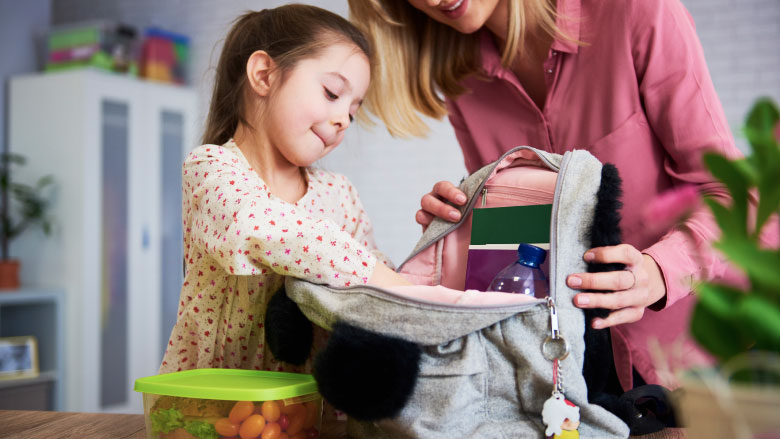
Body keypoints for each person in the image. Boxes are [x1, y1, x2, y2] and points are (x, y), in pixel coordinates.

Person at [347, 0, 743, 394]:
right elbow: (520, 241)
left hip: (703, 355)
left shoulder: (637, 11)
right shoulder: (462, 76)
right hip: (572, 370)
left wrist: (660, 273)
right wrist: (461, 227)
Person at [160, 4, 409, 375]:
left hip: (311, 413)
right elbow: (256, 226)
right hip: (217, 408)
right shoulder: (211, 168)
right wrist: (376, 274)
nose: (343, 119)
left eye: (354, 110)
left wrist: (420, 268)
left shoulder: (339, 194)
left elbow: (375, 286)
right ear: (264, 75)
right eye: (331, 92)